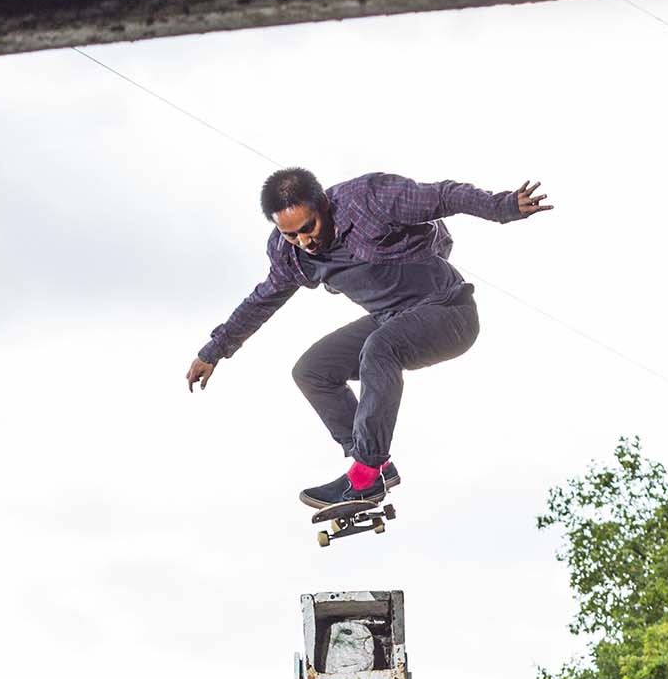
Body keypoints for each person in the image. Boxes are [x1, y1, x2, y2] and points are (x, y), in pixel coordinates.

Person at [186, 165, 551, 509]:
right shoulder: (290, 256)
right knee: (313, 370)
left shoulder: (369, 198)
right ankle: (375, 467)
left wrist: (502, 205)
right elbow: (262, 300)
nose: (304, 241)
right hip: (389, 319)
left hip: (448, 310)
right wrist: (214, 351)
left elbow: (443, 196)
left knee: (379, 348)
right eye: (290, 233)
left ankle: (363, 475)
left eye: (308, 227)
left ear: (323, 206)